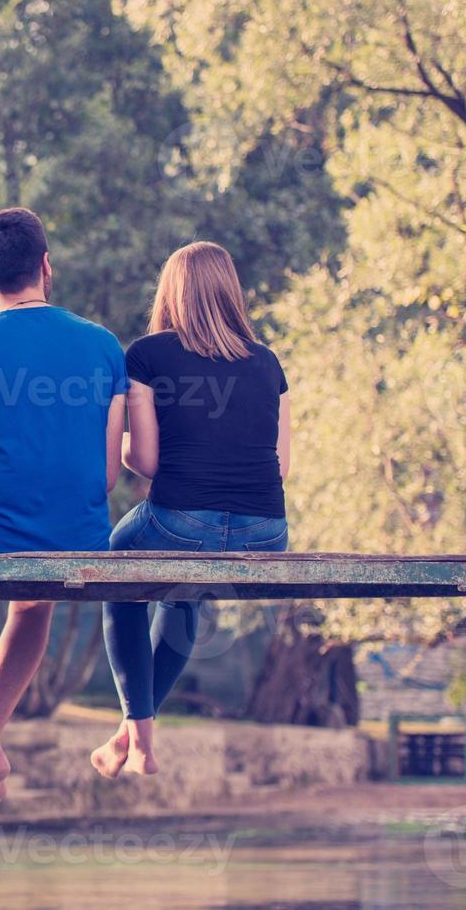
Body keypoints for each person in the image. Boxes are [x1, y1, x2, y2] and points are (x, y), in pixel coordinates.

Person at [0, 207, 127, 805]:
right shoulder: (103, 345)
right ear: (47, 265)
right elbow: (110, 473)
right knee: (31, 606)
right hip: (83, 532)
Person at [93, 242, 291, 778]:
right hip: (268, 532)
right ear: (231, 291)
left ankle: (140, 741)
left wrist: (129, 448)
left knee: (118, 571)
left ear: (171, 293)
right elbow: (282, 466)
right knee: (182, 596)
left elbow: (149, 461)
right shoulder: (269, 362)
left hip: (181, 520)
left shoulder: (147, 355)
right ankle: (129, 740)